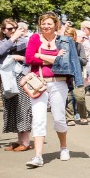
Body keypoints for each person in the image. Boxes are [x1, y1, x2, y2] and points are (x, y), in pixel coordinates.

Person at [23, 13, 72, 168]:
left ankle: (64, 147)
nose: (46, 26)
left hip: (59, 83)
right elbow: (29, 58)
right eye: (43, 23)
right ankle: (38, 156)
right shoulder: (34, 39)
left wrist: (41, 55)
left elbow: (65, 61)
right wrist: (54, 57)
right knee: (38, 119)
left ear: (55, 25)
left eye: (49, 24)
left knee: (58, 119)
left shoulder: (62, 39)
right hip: (39, 82)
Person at [0, 19, 34, 150]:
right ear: (4, 30)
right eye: (10, 29)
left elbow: (31, 57)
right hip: (6, 78)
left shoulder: (24, 41)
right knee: (11, 107)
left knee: (23, 107)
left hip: (21, 76)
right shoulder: (1, 41)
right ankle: (19, 140)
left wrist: (21, 58)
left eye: (15, 28)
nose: (13, 31)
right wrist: (12, 39)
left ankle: (26, 142)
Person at [61, 25, 90, 127]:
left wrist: (74, 57)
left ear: (74, 36)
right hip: (65, 74)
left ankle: (83, 116)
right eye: (66, 35)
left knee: (80, 97)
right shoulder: (61, 46)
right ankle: (70, 118)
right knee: (68, 98)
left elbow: (84, 61)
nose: (68, 38)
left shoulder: (79, 46)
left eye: (70, 35)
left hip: (77, 74)